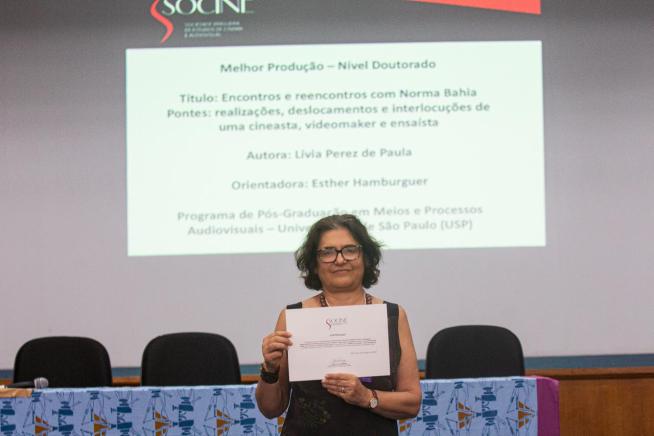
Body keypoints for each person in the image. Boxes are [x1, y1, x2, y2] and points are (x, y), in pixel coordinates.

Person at [255, 214, 421, 435]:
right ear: (314, 264)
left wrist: (366, 397)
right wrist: (269, 369)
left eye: (350, 250)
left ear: (366, 258)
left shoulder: (392, 315)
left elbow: (412, 402)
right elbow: (270, 409)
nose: (340, 260)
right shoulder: (293, 316)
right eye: (328, 252)